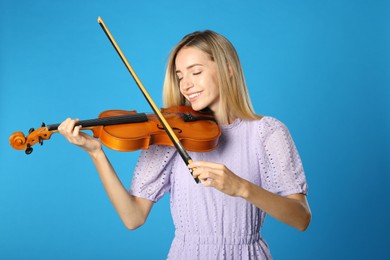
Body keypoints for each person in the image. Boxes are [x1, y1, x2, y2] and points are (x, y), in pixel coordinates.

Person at [58, 30, 311, 259]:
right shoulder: (171, 134)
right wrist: (96, 153)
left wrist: (242, 188)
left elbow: (301, 218)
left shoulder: (267, 132)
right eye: (180, 76)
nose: (186, 85)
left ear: (228, 69)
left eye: (196, 72)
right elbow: (132, 217)